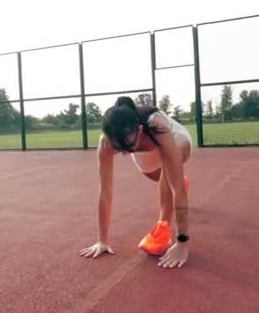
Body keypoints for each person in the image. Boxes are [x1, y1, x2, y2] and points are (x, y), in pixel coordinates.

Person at [78, 96, 192, 269]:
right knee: (158, 177)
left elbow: (179, 191)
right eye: (118, 147)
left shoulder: (158, 127)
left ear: (139, 130)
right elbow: (105, 190)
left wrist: (182, 243)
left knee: (170, 179)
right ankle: (177, 180)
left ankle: (162, 228)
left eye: (127, 145)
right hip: (145, 150)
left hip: (174, 140)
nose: (123, 152)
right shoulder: (108, 142)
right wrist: (102, 240)